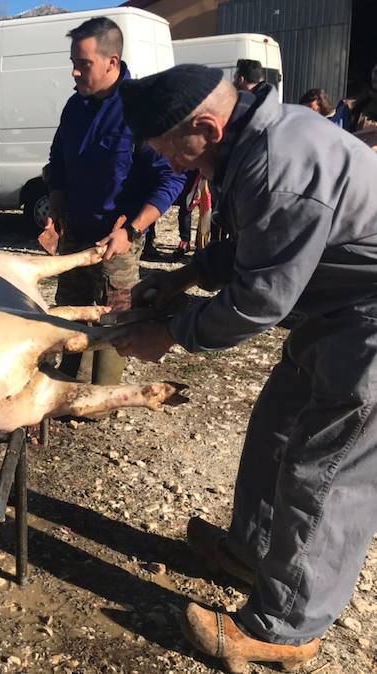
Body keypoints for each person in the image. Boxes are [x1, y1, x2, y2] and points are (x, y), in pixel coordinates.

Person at [114, 63, 377, 673]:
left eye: (170, 151)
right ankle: (252, 551)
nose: (172, 167)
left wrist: (171, 333)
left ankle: (286, 629)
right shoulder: (254, 143)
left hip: (368, 318)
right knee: (275, 428)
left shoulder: (281, 163)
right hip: (335, 307)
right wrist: (190, 274)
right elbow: (256, 242)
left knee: (326, 469)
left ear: (207, 126)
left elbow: (262, 300)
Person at [41, 16, 184, 385]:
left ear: (112, 62)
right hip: (76, 232)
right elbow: (59, 160)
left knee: (112, 315)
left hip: (117, 238)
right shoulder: (74, 108)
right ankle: (66, 386)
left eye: (83, 64)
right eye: (73, 62)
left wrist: (132, 232)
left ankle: (103, 398)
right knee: (69, 312)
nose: (74, 72)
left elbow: (170, 179)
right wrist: (57, 203)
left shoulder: (142, 112)